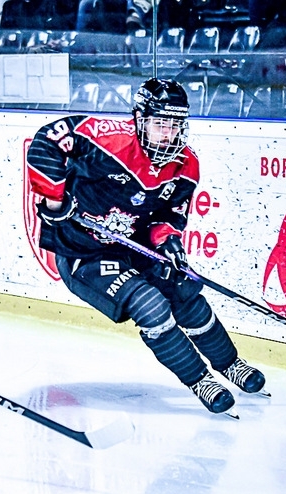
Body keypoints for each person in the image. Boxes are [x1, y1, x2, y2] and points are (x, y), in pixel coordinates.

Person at [26, 78, 266, 415]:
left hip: (134, 247)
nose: (168, 134)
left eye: (175, 125)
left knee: (185, 291)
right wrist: (55, 201)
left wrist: (168, 241)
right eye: (160, 124)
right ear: (140, 120)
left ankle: (230, 364)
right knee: (151, 306)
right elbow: (44, 143)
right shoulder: (105, 138)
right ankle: (200, 380)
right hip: (83, 252)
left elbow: (169, 215)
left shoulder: (186, 166)